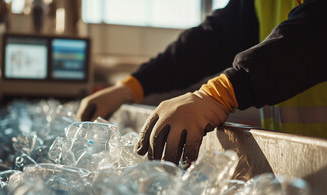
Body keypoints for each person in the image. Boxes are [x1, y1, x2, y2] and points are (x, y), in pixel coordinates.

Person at [76, 0, 327, 165]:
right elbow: (211, 40)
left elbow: (313, 33)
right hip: (303, 165)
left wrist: (222, 93)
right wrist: (131, 86)